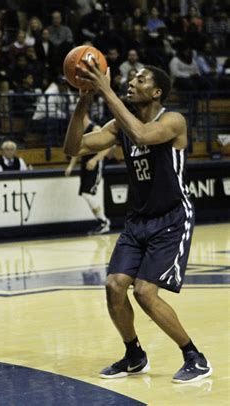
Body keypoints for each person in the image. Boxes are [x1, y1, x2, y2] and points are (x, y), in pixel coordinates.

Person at [63, 59, 212, 383]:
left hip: (172, 217)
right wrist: (84, 100)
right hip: (138, 219)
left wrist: (105, 89)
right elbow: (72, 147)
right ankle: (134, 355)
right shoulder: (120, 127)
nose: (132, 82)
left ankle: (194, 357)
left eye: (140, 79)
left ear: (156, 92)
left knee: (145, 292)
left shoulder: (172, 120)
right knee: (114, 286)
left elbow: (143, 135)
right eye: (131, 78)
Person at [65, 113, 112, 235]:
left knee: (87, 193)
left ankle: (103, 222)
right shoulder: (80, 130)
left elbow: (108, 147)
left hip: (94, 164)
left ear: (84, 115)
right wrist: (71, 166)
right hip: (85, 164)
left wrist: (95, 159)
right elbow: (77, 151)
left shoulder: (95, 128)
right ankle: (101, 221)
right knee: (85, 193)